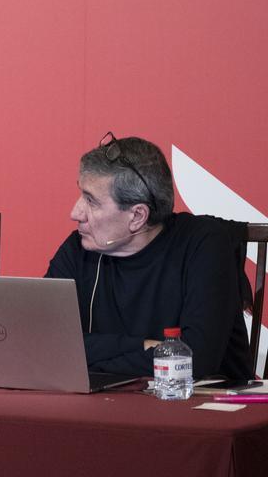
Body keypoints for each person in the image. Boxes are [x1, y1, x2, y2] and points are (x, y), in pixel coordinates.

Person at [45, 132, 252, 378]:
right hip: (106, 406)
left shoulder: (204, 244)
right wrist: (144, 346)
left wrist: (86, 360)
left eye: (91, 201)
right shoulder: (79, 248)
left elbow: (194, 359)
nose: (75, 212)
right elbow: (43, 342)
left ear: (137, 216)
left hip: (200, 407)